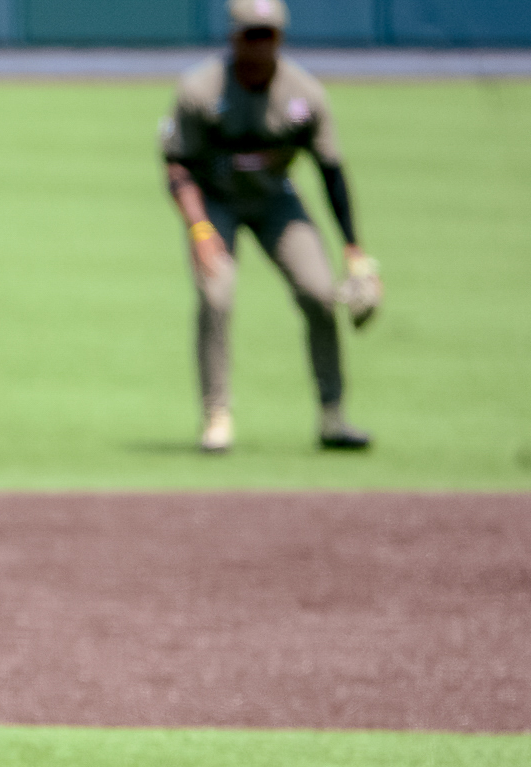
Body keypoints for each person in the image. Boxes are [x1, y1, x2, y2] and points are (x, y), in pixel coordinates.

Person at [161, 0, 378, 453]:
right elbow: (178, 165)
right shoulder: (201, 89)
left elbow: (331, 172)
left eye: (268, 35)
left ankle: (333, 416)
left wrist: (354, 250)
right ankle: (216, 416)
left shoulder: (305, 94)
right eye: (251, 35)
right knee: (215, 295)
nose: (260, 46)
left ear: (280, 38)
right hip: (215, 202)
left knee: (320, 293)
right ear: (234, 38)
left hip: (275, 200)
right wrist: (199, 231)